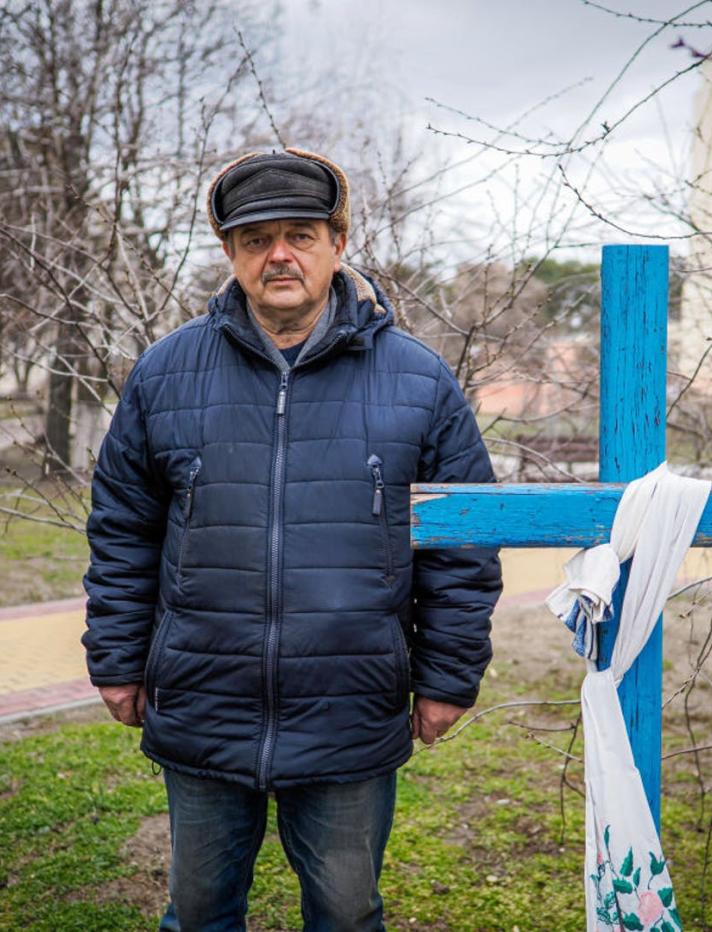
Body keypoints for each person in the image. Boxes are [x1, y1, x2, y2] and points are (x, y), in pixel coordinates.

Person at [82, 147, 502, 931]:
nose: (279, 254)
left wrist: (449, 678)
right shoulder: (166, 374)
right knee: (200, 912)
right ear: (231, 255)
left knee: (345, 915)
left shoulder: (419, 381)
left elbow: (462, 551)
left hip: (349, 705)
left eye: (301, 234)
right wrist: (114, 659)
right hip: (205, 698)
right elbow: (123, 532)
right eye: (255, 238)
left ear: (338, 244)